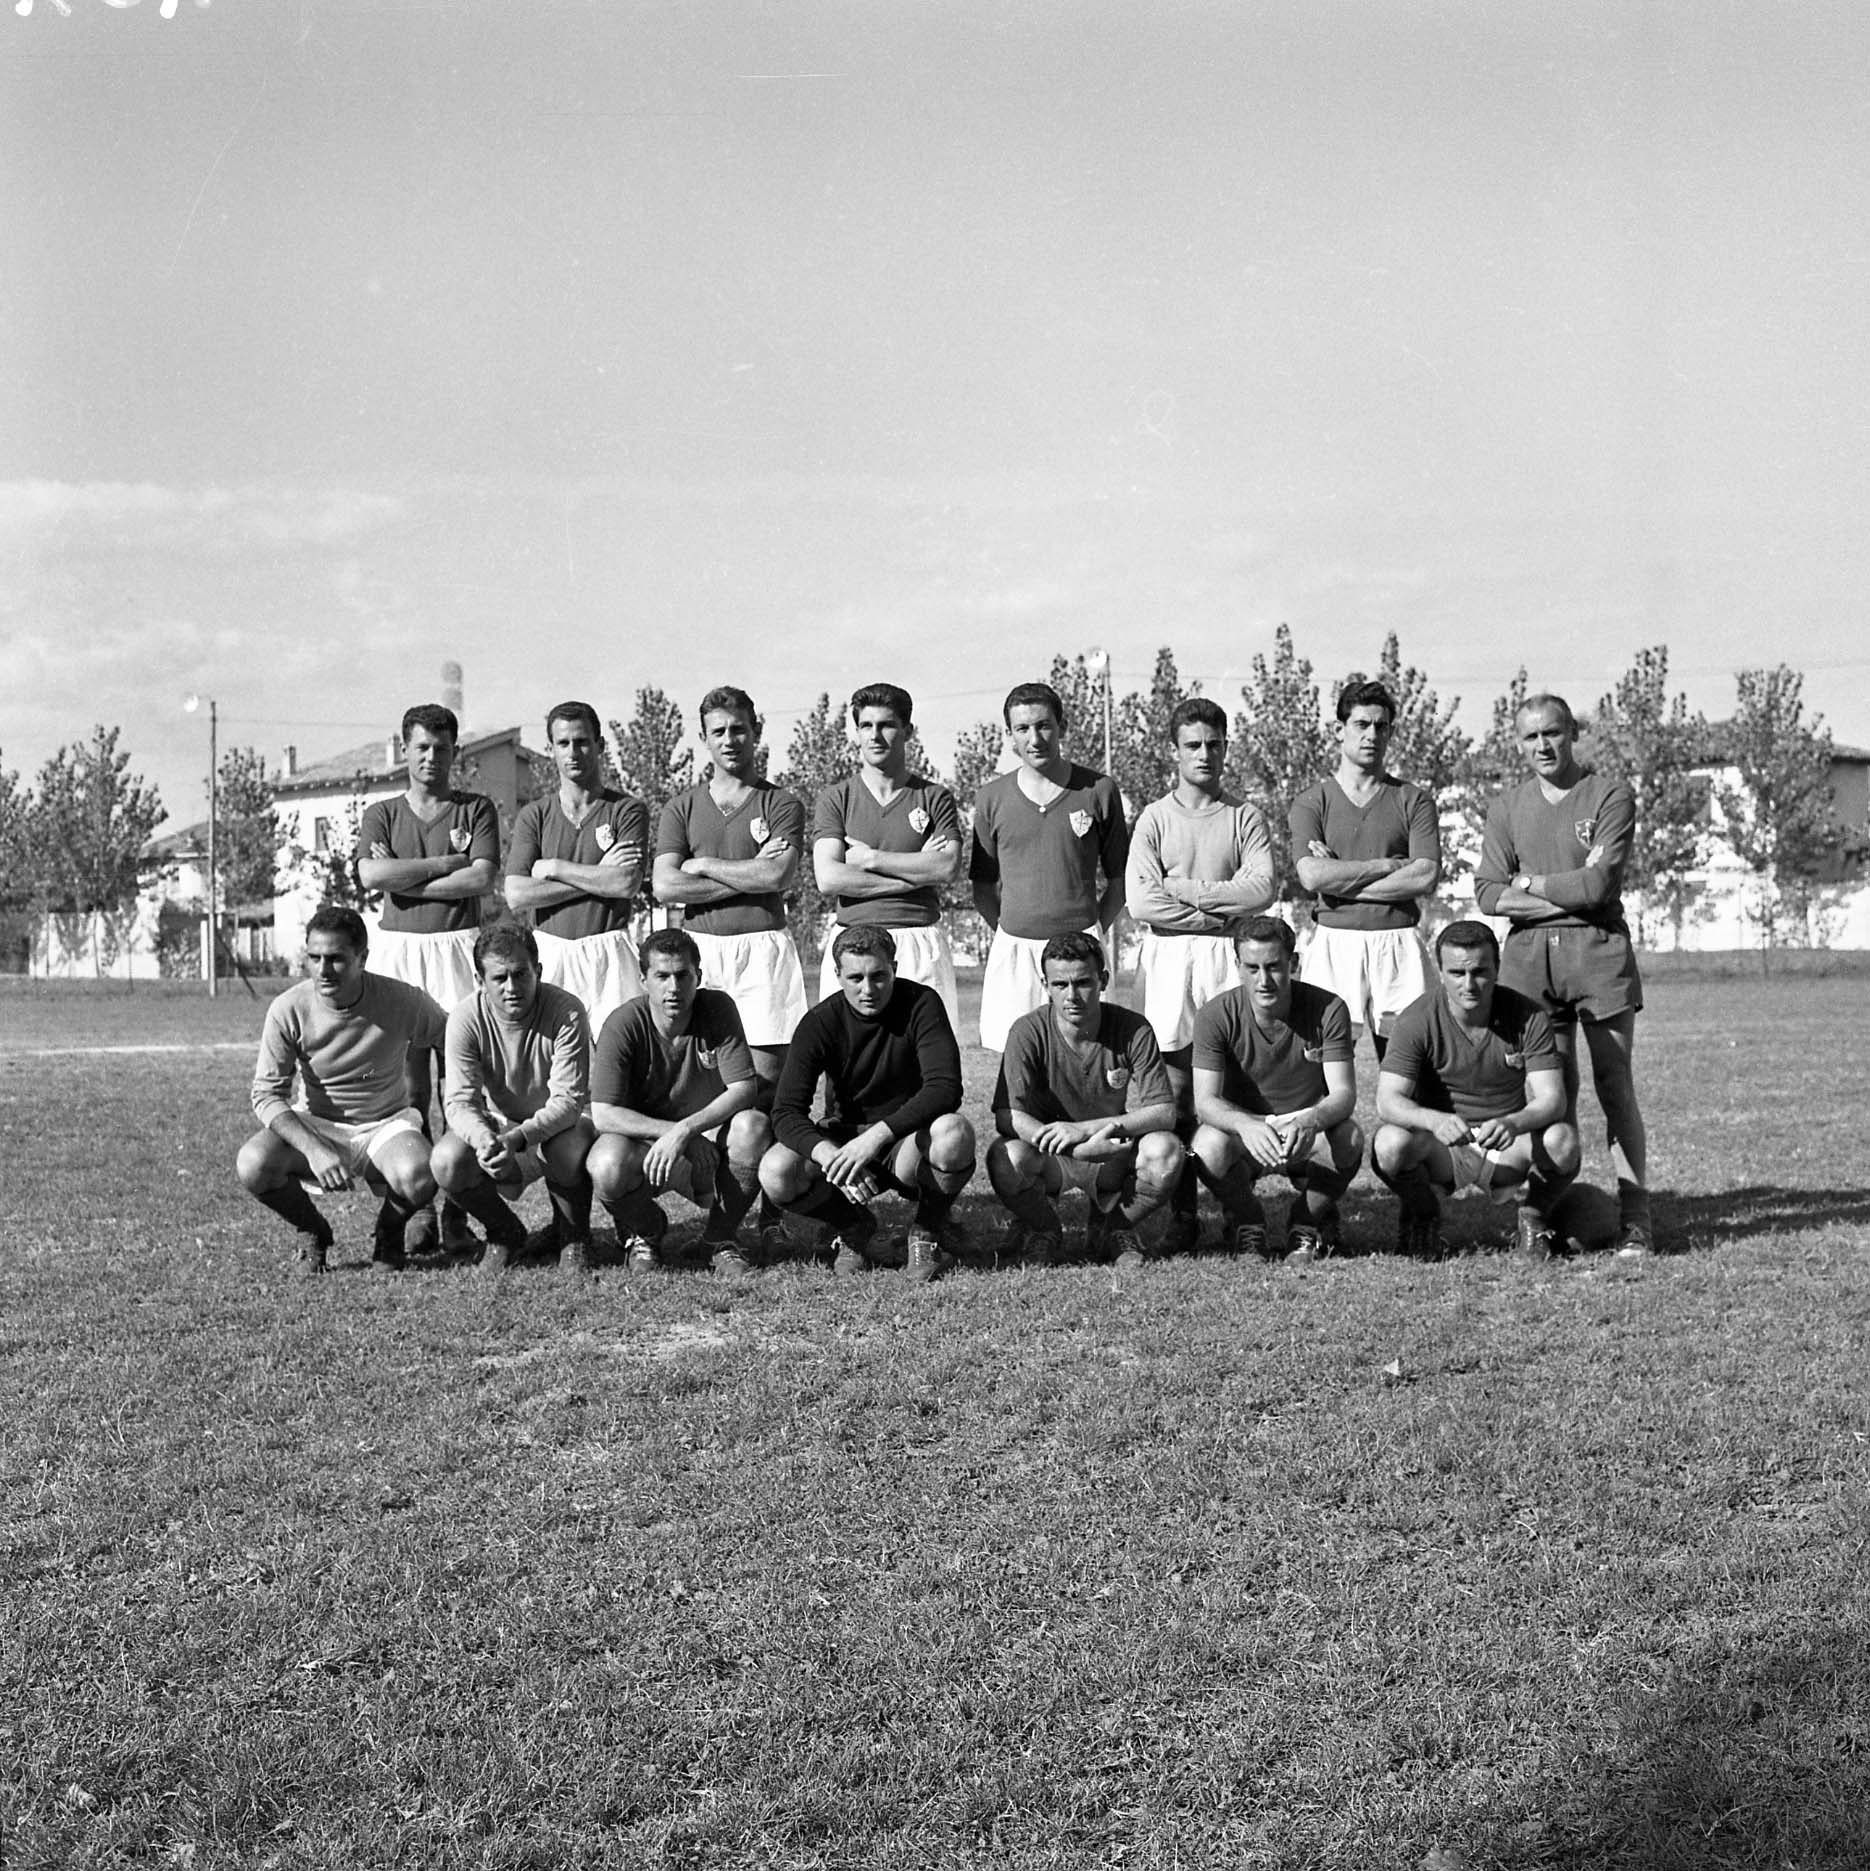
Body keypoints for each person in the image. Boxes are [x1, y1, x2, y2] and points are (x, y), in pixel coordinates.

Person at [1473, 692, 1652, 1257]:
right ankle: (1542, 1213)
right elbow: (1487, 893)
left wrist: (1527, 884)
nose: (1542, 745)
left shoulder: (1609, 795)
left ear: (1573, 732)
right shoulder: (1506, 807)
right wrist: (1566, 892)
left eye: (1552, 732)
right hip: (1529, 960)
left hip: (1597, 951)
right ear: (1517, 743)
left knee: (1614, 1083)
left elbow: (1598, 886)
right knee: (1552, 1093)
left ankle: (1637, 1217)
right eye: (1530, 737)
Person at [652, 685, 807, 1256]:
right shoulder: (681, 807)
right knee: (715, 1084)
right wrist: (743, 873)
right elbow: (665, 884)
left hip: (763, 948)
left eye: (739, 728)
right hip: (702, 951)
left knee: (765, 1087)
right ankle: (721, 1211)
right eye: (718, 731)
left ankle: (771, 1214)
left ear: (756, 730)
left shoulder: (781, 803)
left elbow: (777, 877)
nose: (729, 739)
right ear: (703, 738)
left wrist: (704, 865)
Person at [1125, 696, 1276, 1250]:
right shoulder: (1154, 818)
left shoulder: (1243, 816)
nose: (1204, 754)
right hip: (1169, 957)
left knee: (1230, 1083)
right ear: (1175, 751)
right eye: (1193, 744)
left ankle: (1239, 1211)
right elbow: (1142, 902)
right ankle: (1183, 1215)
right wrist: (1218, 907)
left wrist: (1186, 890)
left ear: (1226, 747)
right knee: (1175, 1088)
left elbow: (1262, 889)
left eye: (1214, 743)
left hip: (1224, 956)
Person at [356, 700, 500, 1257]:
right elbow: (372, 874)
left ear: (454, 752)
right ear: (405, 750)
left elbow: (481, 878)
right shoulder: (383, 813)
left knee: (459, 1087)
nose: (431, 758)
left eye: (441, 748)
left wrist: (405, 878)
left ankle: (459, 1210)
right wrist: (444, 865)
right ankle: (416, 1207)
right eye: (421, 747)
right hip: (400, 952)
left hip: (457, 948)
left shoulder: (475, 809)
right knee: (411, 1088)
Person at [236, 905, 445, 1277]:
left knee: (422, 1174)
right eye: (314, 958)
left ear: (362, 958)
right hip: (318, 1124)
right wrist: (314, 1150)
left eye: (335, 958)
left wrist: (464, 1098)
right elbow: (266, 1094)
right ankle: (312, 1231)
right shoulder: (288, 1008)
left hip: (385, 1125)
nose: (323, 969)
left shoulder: (402, 1000)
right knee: (253, 1164)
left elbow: (455, 1040)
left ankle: (389, 1232)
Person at [759, 925, 975, 1281]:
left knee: (955, 1132)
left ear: (894, 967)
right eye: (855, 978)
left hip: (905, 1142)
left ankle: (926, 1232)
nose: (868, 989)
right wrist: (828, 1155)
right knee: (776, 1170)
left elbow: (945, 1088)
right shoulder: (819, 1022)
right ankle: (853, 1226)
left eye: (878, 976)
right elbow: (785, 1112)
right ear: (837, 975)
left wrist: (876, 1137)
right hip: (844, 1144)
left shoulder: (922, 1003)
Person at [1373, 920, 1580, 1259]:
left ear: (1497, 968)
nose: (1468, 984)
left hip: (1505, 1144)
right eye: (1457, 973)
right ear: (1440, 971)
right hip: (1443, 1148)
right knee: (1389, 1144)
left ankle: (1533, 1218)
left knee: (1563, 1141)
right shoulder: (1416, 1018)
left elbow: (1553, 1099)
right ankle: (1424, 1214)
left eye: (1480, 972)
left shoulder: (1529, 1016)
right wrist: (1435, 1121)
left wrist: (1513, 1123)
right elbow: (1387, 1101)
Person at [986, 932, 1183, 1268]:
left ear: (1103, 980)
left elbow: (1164, 1112)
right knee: (1006, 1157)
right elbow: (1008, 1115)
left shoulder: (1133, 1028)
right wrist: (1075, 1148)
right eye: (1060, 984)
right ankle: (1044, 1228)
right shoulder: (1026, 1030)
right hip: (1051, 1154)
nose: (1072, 996)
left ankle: (1115, 1228)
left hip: (1110, 1151)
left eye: (1082, 983)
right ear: (1045, 985)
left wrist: (1086, 1130)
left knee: (1165, 1150)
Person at [587, 928, 772, 1277]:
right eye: (662, 976)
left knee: (753, 1126)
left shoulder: (717, 1008)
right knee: (605, 1163)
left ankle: (718, 1239)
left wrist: (687, 1131)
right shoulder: (622, 1023)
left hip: (705, 1145)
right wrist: (674, 1133)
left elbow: (744, 1088)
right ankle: (646, 1230)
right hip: (646, 1148)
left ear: (697, 976)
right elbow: (603, 1114)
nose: (673, 987)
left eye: (682, 975)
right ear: (643, 980)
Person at [1190, 916, 1362, 1261]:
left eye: (1273, 967)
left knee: (1350, 1137)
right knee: (1207, 1146)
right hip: (1247, 1126)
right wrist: (1245, 1124)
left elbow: (1344, 1094)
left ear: (1293, 963)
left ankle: (1306, 1223)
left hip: (1304, 1123)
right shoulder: (1215, 1014)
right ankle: (1247, 1222)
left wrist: (1310, 1121)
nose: (1263, 980)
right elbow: (1205, 1101)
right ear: (1237, 966)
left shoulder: (1329, 1009)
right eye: (1252, 968)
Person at [970, 681, 1130, 1052]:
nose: (1035, 738)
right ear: (1009, 735)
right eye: (1022, 728)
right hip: (1015, 951)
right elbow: (982, 889)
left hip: (1080, 950)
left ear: (1062, 726)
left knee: (1089, 1053)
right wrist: (1014, 931)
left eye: (1044, 725)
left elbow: (1120, 881)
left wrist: (1090, 932)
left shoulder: (1099, 790)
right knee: (1016, 1057)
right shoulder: (991, 797)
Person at [431, 922, 596, 1279]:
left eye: (520, 974)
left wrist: (519, 1138)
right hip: (501, 1123)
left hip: (562, 1124)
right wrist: (484, 1139)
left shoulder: (566, 1010)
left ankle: (573, 1235)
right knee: (446, 1161)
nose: (511, 987)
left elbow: (568, 1101)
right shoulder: (465, 1017)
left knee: (565, 1149)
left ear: (538, 971)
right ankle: (504, 1232)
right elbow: (459, 1101)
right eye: (499, 978)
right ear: (480, 980)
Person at [1289, 677, 1441, 1059]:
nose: (1372, 734)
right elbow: (1311, 875)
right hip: (1334, 942)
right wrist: (1387, 866)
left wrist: (1339, 880)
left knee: (1410, 1063)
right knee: (1324, 1063)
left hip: (1398, 942)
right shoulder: (1312, 801)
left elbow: (1425, 875)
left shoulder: (1413, 800)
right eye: (1361, 724)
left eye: (1381, 726)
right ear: (1339, 730)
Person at [812, 682, 964, 1033]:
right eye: (866, 726)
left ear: (908, 730)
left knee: (925, 1052)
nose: (875, 735)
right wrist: (915, 873)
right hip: (853, 941)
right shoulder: (836, 798)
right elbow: (829, 879)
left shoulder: (934, 797)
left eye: (886, 725)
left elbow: (946, 867)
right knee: (849, 1054)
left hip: (918, 939)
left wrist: (871, 859)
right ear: (856, 732)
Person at [504, 700, 648, 1031]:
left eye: (582, 742)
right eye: (563, 743)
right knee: (550, 1054)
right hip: (550, 951)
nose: (573, 752)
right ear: (552, 749)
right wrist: (600, 874)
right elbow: (517, 895)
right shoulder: (534, 815)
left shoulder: (627, 809)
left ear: (600, 745)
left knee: (614, 1055)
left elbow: (625, 883)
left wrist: (555, 867)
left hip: (609, 954)